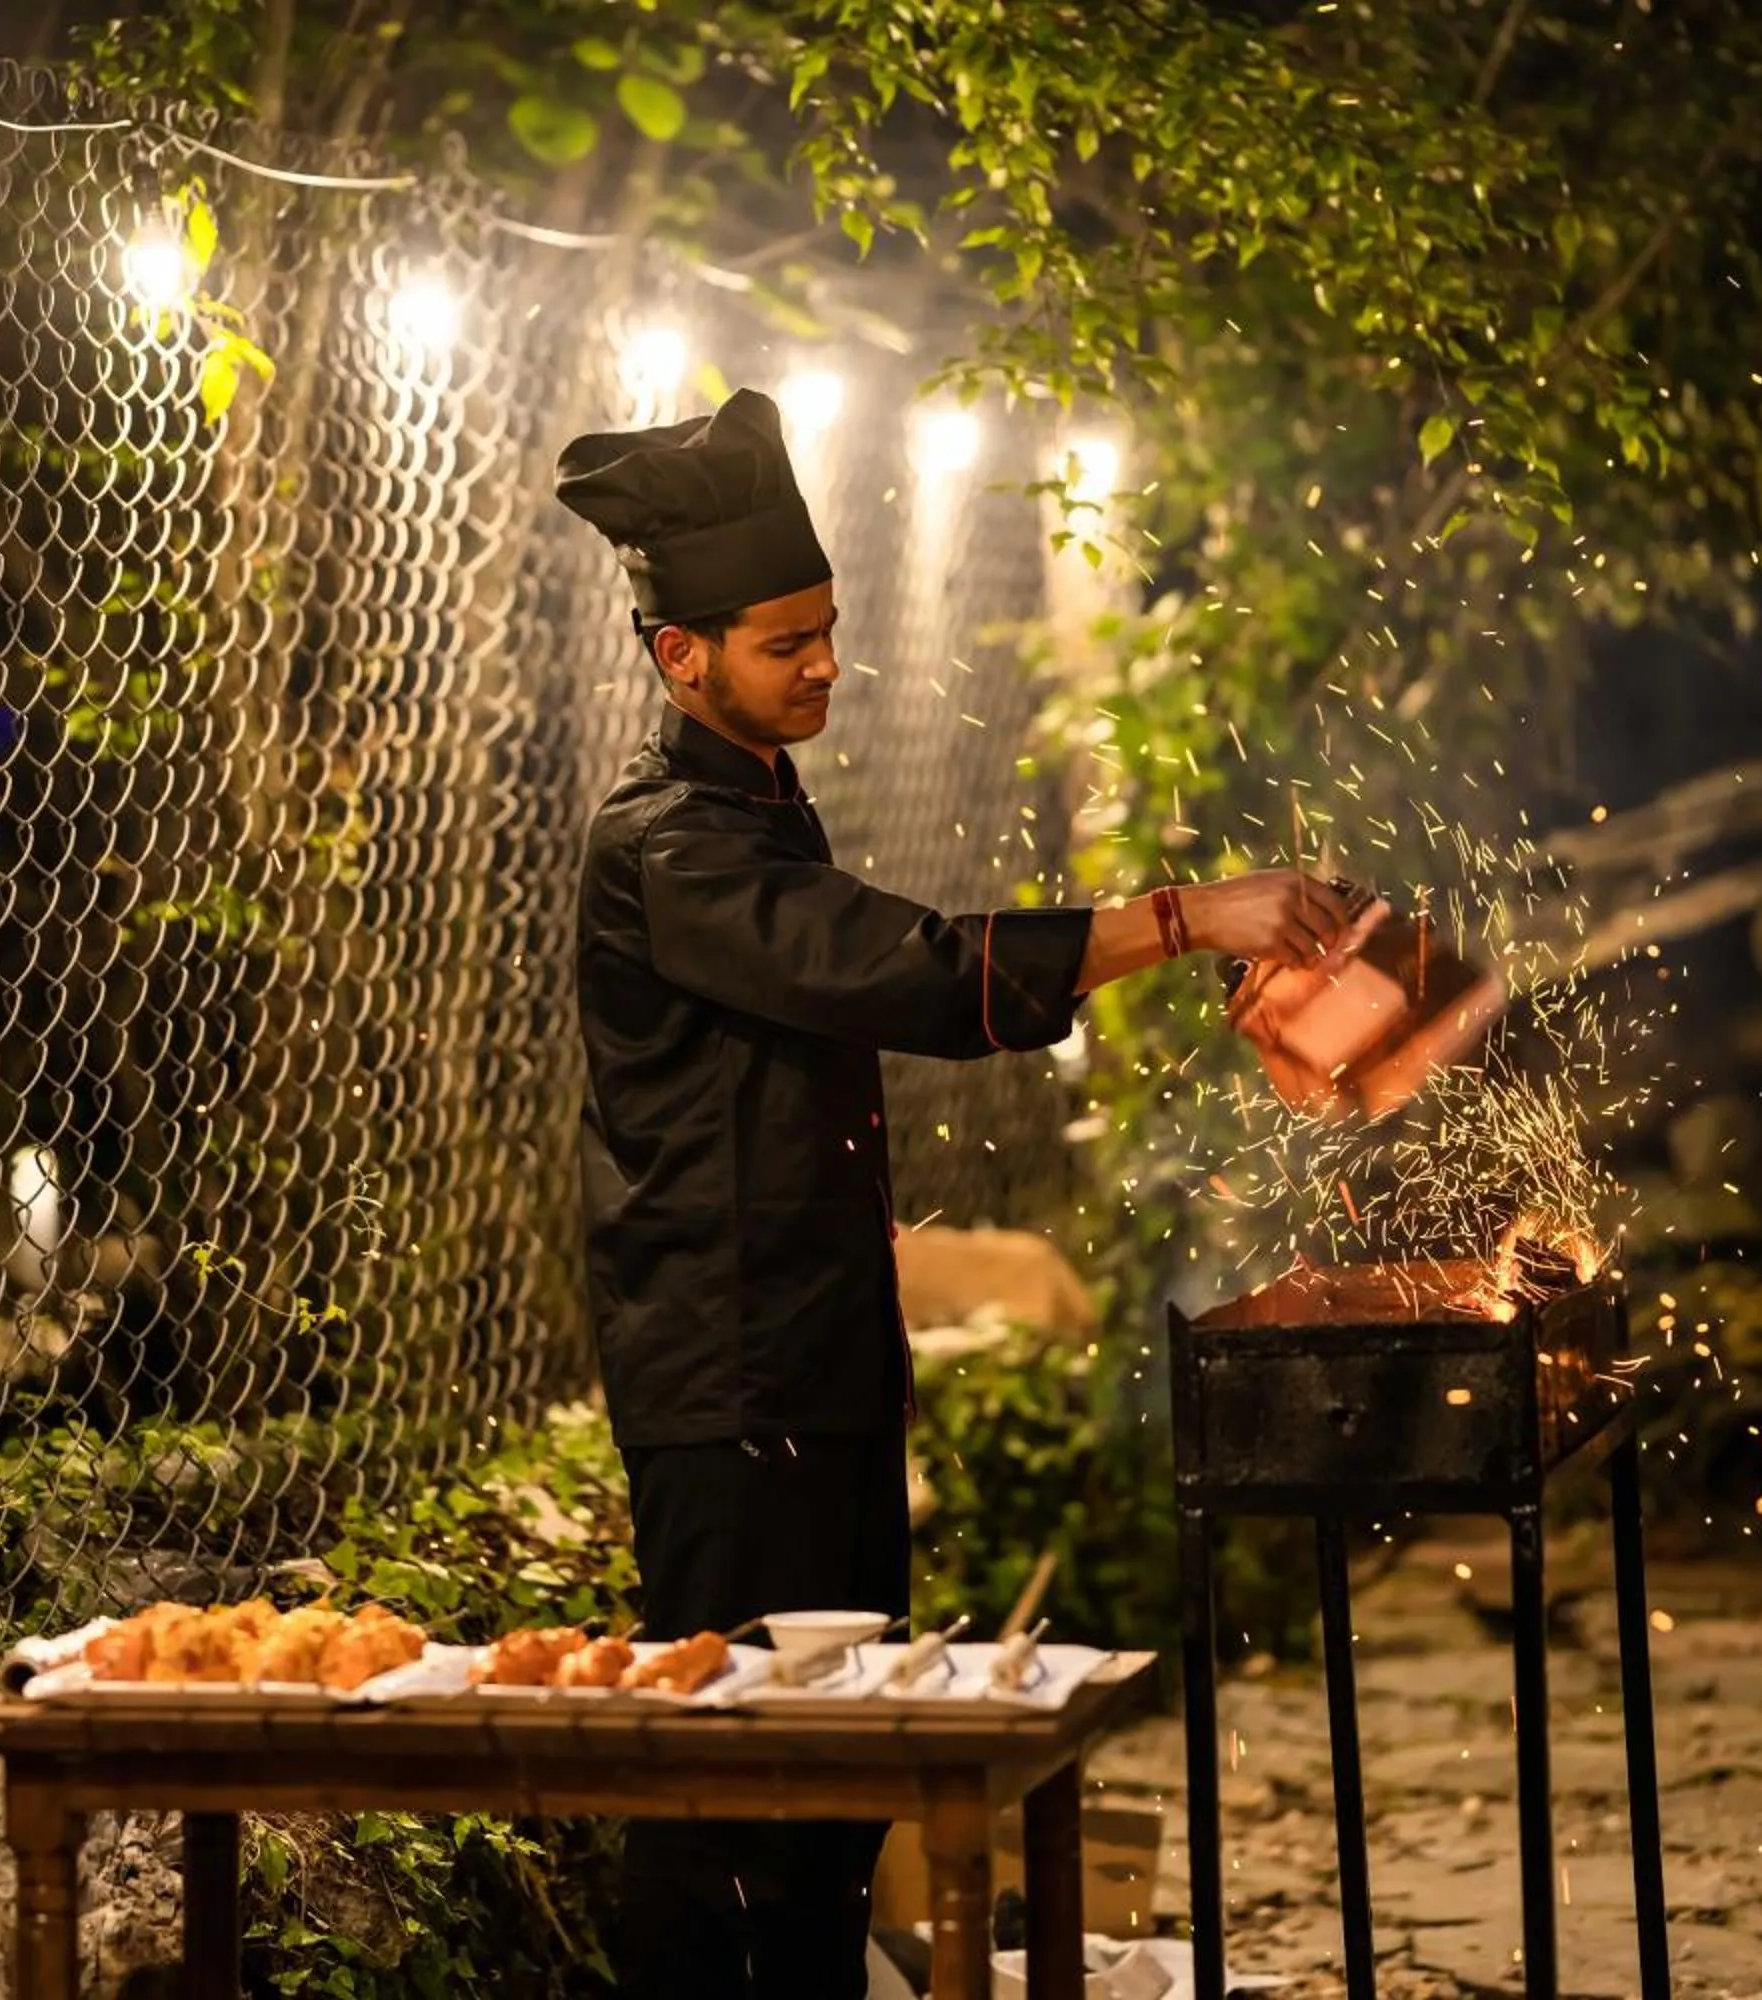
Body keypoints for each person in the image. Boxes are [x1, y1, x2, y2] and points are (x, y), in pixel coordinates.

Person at [553, 388, 1362, 1997]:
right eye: (789, 645)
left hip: (823, 1358)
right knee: (722, 1789)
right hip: (726, 1382)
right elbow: (904, 970)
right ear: (679, 658)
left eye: (830, 632)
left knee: (834, 1785)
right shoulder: (668, 847)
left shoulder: (759, 811)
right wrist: (1182, 918)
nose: (827, 667)